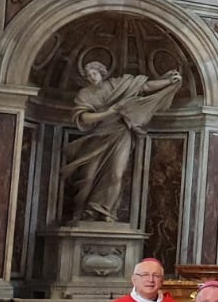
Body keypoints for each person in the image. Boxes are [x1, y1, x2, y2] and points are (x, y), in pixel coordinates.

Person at [61, 62, 181, 221]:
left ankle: (105, 211)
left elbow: (144, 87)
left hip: (121, 134)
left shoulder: (118, 85)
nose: (92, 77)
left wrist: (168, 82)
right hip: (98, 136)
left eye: (94, 74)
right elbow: (84, 118)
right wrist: (109, 112)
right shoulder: (85, 94)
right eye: (88, 75)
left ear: (102, 73)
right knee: (88, 178)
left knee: (117, 174)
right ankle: (82, 212)